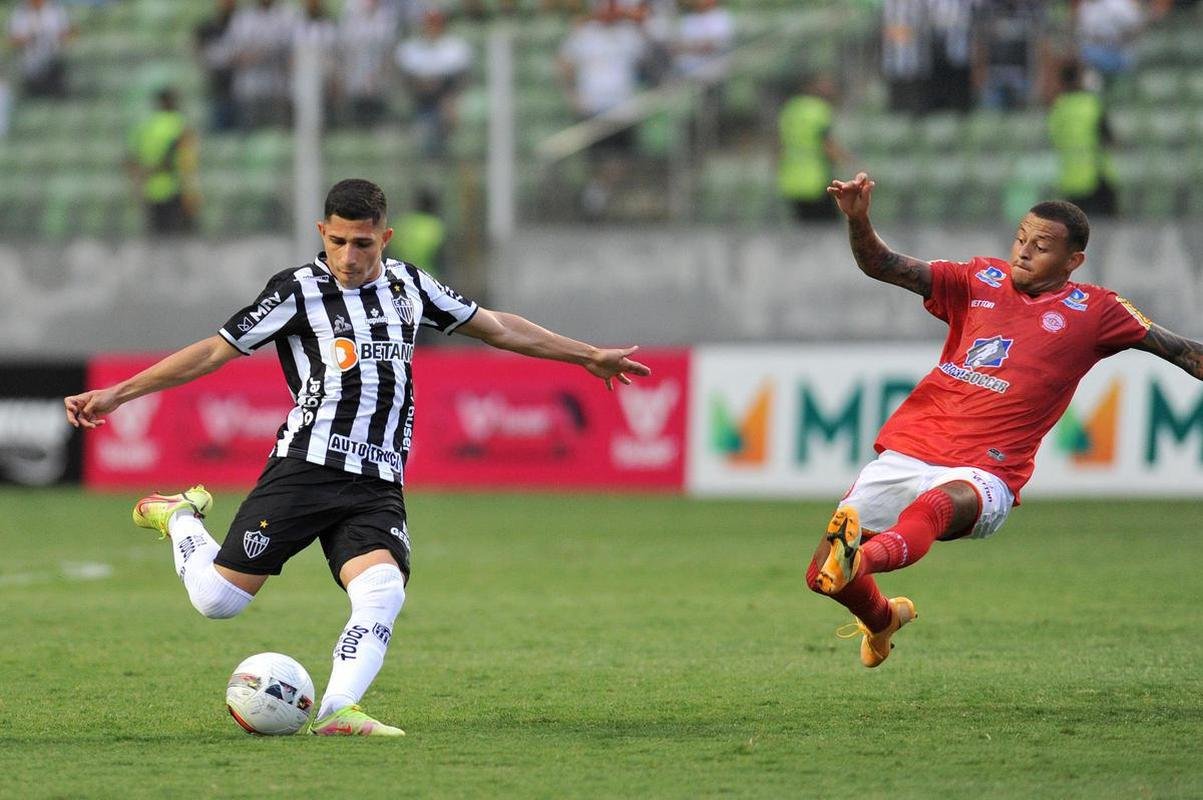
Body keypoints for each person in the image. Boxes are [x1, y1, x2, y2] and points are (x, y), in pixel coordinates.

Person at [63, 179, 650, 736]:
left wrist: (587, 355)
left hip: (377, 480)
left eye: (362, 243)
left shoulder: (410, 286)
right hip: (306, 469)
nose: (348, 256)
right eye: (337, 240)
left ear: (385, 238)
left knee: (383, 590)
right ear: (322, 232)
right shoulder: (295, 291)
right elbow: (214, 352)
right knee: (218, 601)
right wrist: (118, 392)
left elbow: (496, 327)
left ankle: (339, 709)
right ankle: (180, 517)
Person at [807, 171, 1203, 668]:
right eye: (1020, 238)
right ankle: (883, 618)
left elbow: (1186, 353)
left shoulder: (1097, 310)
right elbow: (882, 265)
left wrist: (857, 560)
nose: (1023, 251)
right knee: (818, 574)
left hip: (988, 471)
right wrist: (859, 220)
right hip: (913, 446)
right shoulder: (977, 280)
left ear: (1073, 261)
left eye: (1041, 246)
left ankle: (859, 560)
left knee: (936, 506)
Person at [1048, 60, 1118, 217]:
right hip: (1096, 176)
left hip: (1070, 179)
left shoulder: (1058, 108)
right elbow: (1108, 138)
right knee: (1107, 228)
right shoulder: (1091, 104)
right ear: (1079, 78)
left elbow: (1054, 138)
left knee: (1076, 231)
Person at [126, 87, 199, 235]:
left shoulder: (144, 126)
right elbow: (183, 159)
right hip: (175, 187)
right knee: (177, 238)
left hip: (150, 188)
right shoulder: (179, 124)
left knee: (156, 237)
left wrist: (138, 180)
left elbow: (131, 158)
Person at [777, 74, 847, 223]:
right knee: (826, 227)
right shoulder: (819, 110)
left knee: (805, 227)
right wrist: (850, 163)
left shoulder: (790, 108)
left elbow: (779, 144)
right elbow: (828, 145)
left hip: (792, 180)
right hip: (816, 180)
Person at [7, 0, 75, 99]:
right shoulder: (20, 11)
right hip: (28, 60)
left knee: (57, 67)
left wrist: (58, 36)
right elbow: (13, 39)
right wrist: (29, 38)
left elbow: (67, 34)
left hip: (53, 59)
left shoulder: (55, 9)